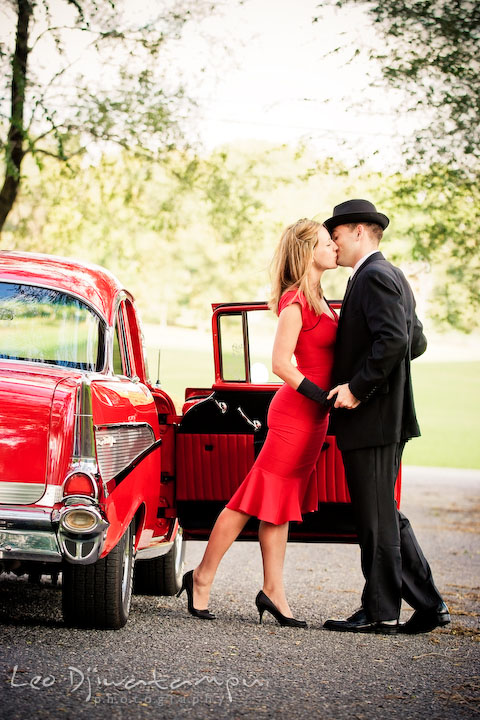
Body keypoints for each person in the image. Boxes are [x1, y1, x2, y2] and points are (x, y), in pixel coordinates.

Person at [177, 218, 338, 626]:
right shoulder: (295, 301)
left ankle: (272, 590)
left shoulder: (319, 295)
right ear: (307, 252)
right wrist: (321, 396)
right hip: (295, 415)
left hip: (314, 418)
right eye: (326, 242)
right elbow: (281, 363)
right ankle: (201, 577)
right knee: (250, 499)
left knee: (278, 506)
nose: (334, 247)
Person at [322, 198, 449, 635]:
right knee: (384, 515)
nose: (333, 245)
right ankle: (429, 605)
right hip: (384, 416)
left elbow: (396, 339)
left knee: (375, 519)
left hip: (373, 417)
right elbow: (416, 342)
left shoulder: (375, 276)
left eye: (336, 236)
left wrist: (359, 388)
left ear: (359, 231)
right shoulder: (387, 275)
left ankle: (381, 611)